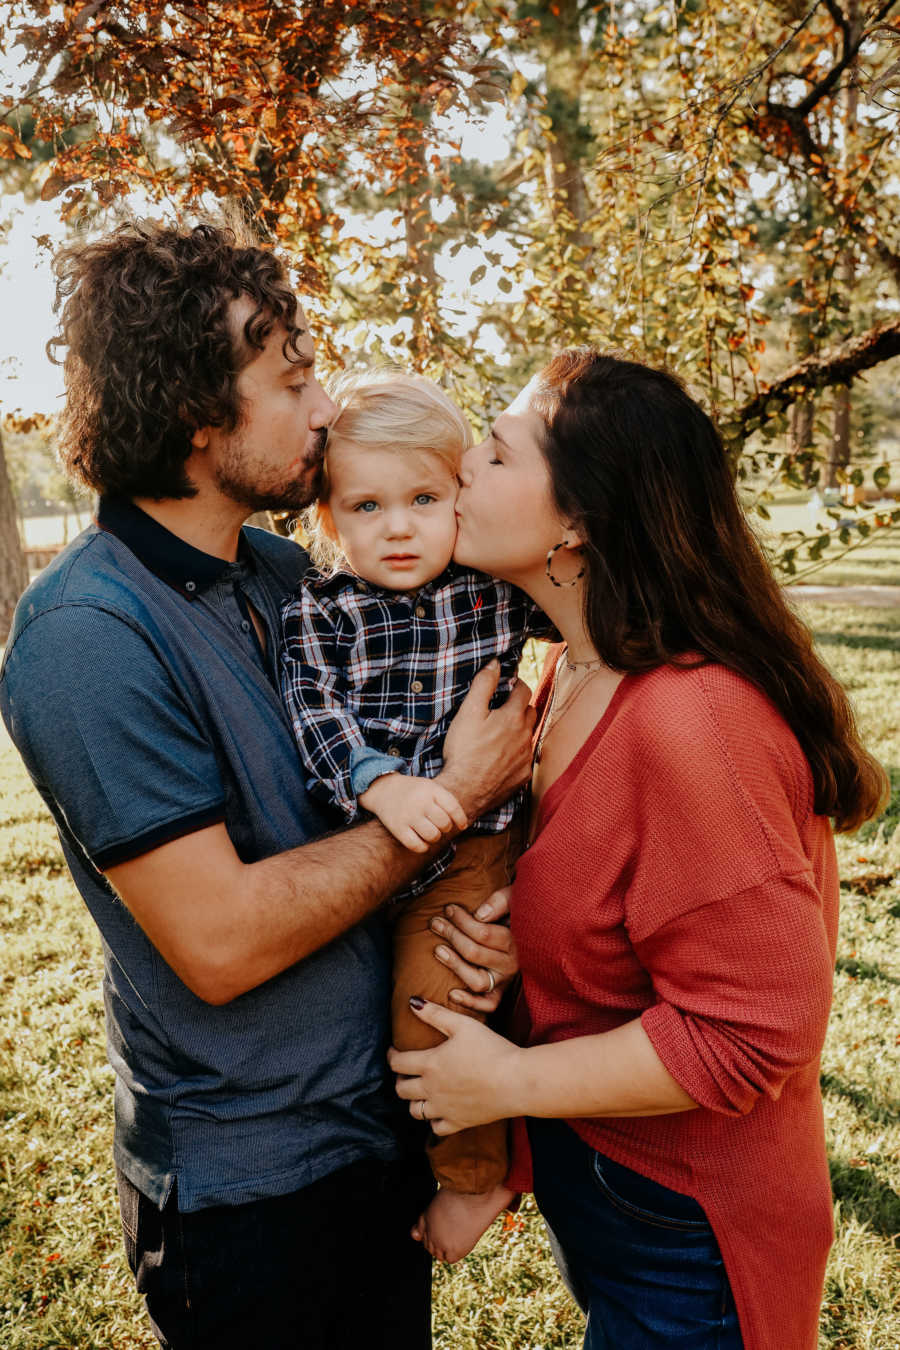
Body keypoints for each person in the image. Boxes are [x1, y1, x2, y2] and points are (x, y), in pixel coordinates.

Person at [0, 220, 533, 1350]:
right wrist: (444, 798)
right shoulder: (87, 639)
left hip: (368, 1132)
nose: (327, 407)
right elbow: (222, 942)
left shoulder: (285, 573)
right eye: (292, 380)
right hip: (252, 1192)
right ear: (200, 419)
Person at [387, 349, 888, 1349]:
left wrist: (506, 1085)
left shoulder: (695, 723)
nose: (463, 469)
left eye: (494, 452)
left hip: (694, 1240)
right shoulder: (558, 673)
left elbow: (754, 1034)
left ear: (576, 520)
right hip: (613, 1197)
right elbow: (625, 905)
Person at [280, 370, 548, 1259]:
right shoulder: (324, 610)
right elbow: (315, 711)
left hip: (468, 855)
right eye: (367, 505)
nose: (399, 526)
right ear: (328, 519)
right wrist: (380, 782)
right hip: (370, 838)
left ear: (459, 500)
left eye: (425, 498)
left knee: (430, 1015)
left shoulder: (488, 588)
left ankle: (474, 1182)